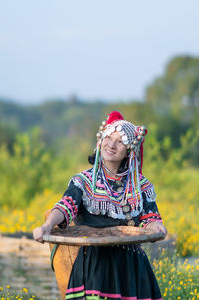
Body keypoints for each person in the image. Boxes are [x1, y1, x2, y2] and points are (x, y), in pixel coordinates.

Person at [33, 111, 167, 300]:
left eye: (120, 141)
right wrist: (46, 226)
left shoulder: (140, 185)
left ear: (129, 150)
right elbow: (65, 206)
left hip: (132, 266)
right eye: (108, 138)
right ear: (100, 141)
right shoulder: (83, 181)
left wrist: (158, 227)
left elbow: (150, 218)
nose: (111, 145)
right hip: (95, 265)